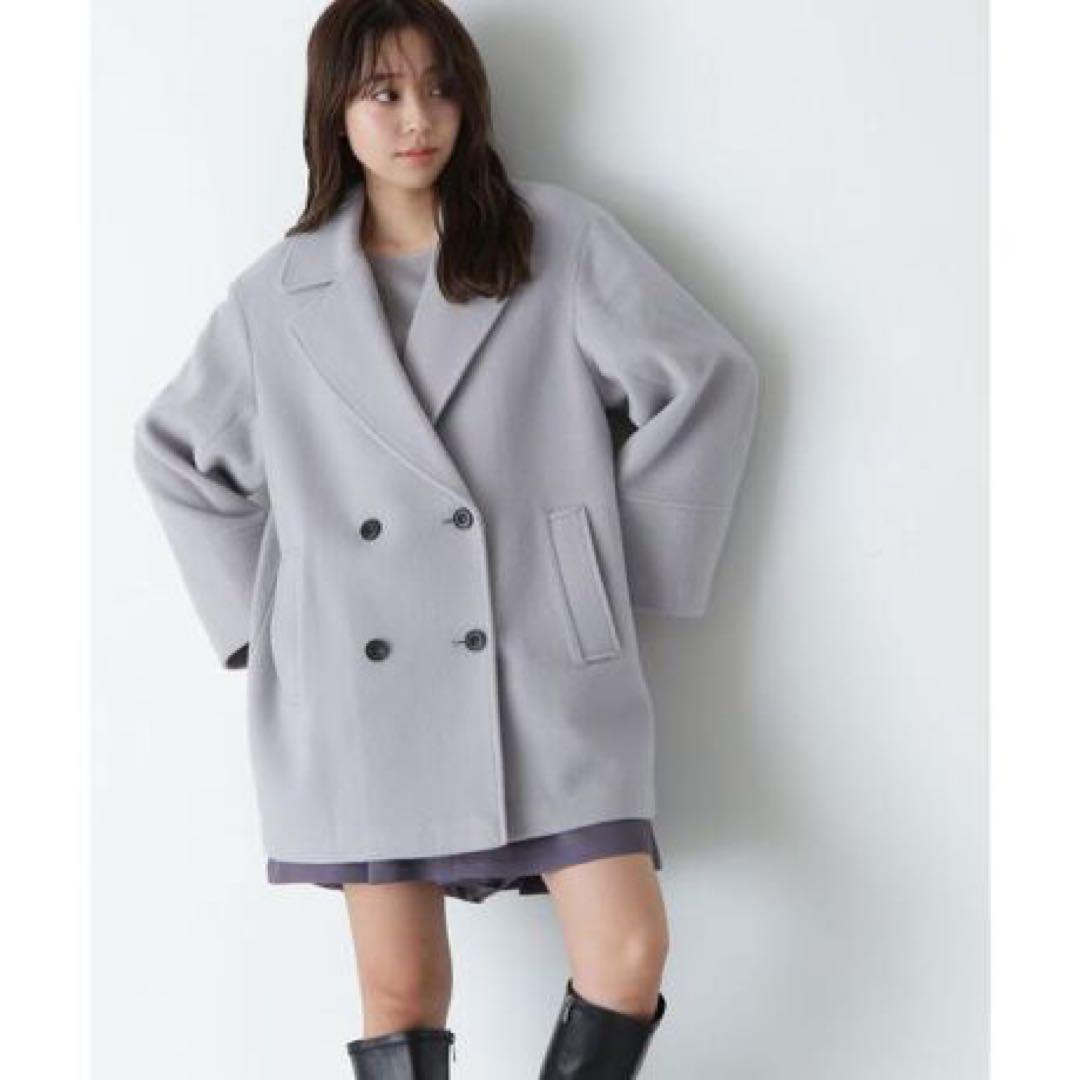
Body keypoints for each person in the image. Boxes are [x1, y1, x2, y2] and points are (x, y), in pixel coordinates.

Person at [132, 1, 759, 1076]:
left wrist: (612, 577)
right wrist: (270, 628)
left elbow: (707, 378)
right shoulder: (278, 296)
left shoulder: (553, 240)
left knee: (627, 951)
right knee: (401, 990)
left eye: (440, 87)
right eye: (383, 93)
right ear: (336, 112)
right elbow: (176, 452)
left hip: (540, 659)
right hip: (359, 685)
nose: (417, 117)